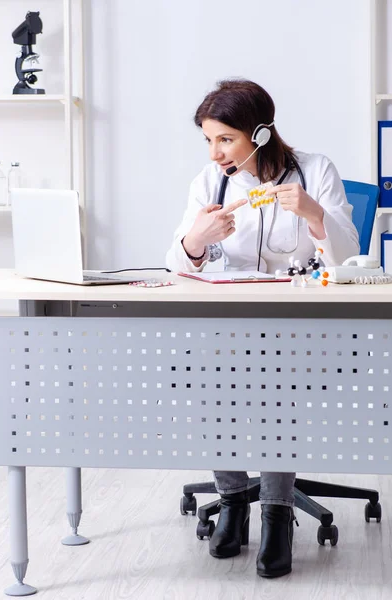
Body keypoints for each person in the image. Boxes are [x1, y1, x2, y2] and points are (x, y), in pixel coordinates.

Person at [165, 79, 359, 578]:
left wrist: (315, 214)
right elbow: (177, 265)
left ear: (261, 133)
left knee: (279, 387)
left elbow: (348, 257)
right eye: (208, 140)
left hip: (298, 328)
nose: (215, 153)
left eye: (224, 139)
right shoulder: (210, 184)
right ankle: (232, 501)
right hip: (227, 326)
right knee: (202, 378)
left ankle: (275, 513)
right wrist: (195, 241)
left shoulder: (315, 171)